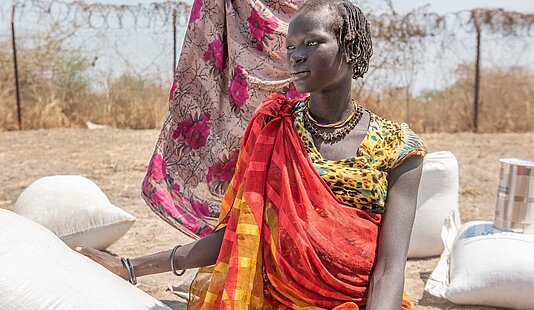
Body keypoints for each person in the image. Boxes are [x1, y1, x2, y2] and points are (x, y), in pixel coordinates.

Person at [77, 0, 426, 308]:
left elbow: (390, 267)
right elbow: (236, 235)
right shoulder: (274, 127)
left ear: (350, 49)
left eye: (312, 42)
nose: (296, 55)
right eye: (290, 46)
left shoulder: (398, 147)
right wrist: (129, 267)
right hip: (277, 302)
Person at [141, 0, 307, 239]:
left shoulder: (316, 31)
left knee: (297, 156)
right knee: (253, 164)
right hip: (245, 38)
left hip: (307, 29)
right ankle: (242, 246)